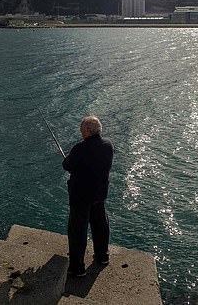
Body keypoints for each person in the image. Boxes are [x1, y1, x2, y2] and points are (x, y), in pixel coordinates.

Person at [62, 115, 114, 277]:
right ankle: (102, 256)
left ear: (87, 130)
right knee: (100, 225)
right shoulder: (108, 145)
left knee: (78, 230)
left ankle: (77, 268)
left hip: (81, 196)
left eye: (81, 129)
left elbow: (67, 165)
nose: (80, 132)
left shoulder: (80, 148)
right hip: (100, 194)